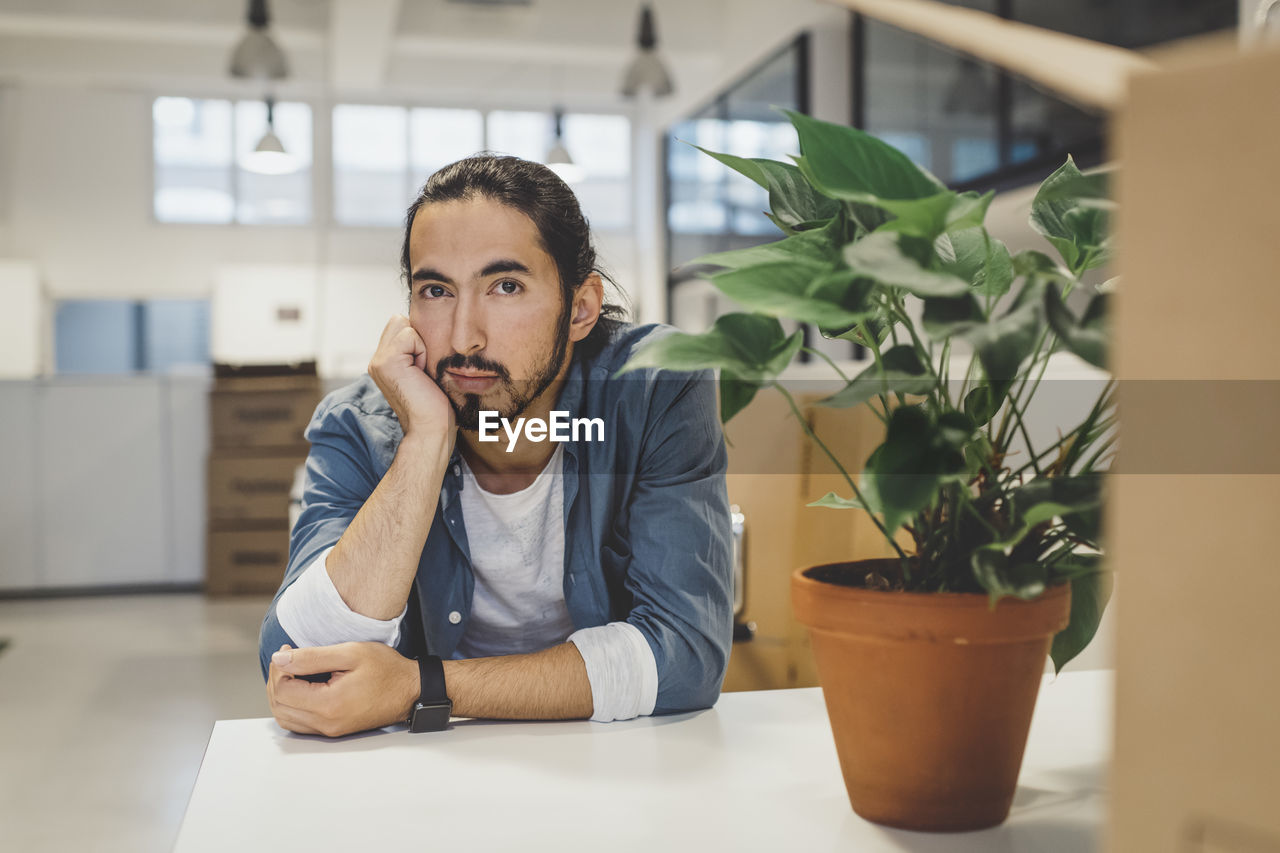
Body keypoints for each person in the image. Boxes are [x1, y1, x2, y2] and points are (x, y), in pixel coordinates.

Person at [258, 154, 733, 737]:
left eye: (505, 286)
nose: (464, 337)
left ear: (580, 307)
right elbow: (298, 663)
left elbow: (686, 655)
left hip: (613, 757)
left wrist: (420, 686)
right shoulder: (360, 423)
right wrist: (426, 441)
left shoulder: (655, 389)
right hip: (425, 776)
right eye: (435, 290)